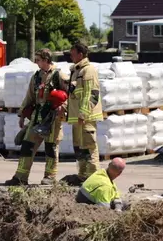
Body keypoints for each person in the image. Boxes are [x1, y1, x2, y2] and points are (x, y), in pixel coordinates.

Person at [6, 49, 67, 186]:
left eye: (38, 60)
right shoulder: (36, 77)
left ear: (46, 60)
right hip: (37, 117)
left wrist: (63, 107)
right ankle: (20, 177)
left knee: (51, 148)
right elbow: (29, 96)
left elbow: (69, 94)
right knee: (27, 145)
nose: (36, 62)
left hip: (53, 119)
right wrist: (22, 115)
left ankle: (50, 177)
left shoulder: (59, 75)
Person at [66, 41, 102, 185]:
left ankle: (92, 179)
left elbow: (91, 94)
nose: (70, 56)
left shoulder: (88, 70)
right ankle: (82, 177)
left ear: (80, 54)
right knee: (79, 149)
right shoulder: (76, 71)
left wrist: (83, 114)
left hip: (85, 118)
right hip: (77, 119)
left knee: (89, 148)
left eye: (73, 54)